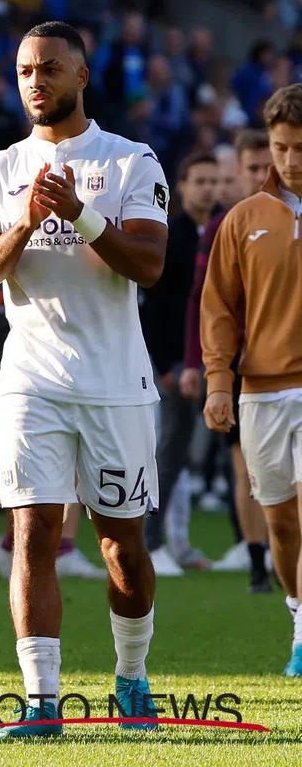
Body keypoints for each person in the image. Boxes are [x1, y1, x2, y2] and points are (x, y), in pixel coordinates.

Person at [0, 20, 170, 736]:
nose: (35, 81)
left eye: (49, 68)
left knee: (122, 547)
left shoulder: (131, 160)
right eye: (23, 70)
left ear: (82, 76)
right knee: (34, 535)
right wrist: (25, 223)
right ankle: (42, 702)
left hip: (116, 383)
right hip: (31, 382)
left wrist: (78, 214)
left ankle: (132, 675)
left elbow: (149, 265)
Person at [201, 84, 302, 675]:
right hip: (261, 393)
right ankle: (297, 613)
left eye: (299, 148)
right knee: (283, 524)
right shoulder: (241, 220)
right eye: (282, 148)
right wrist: (218, 382)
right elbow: (218, 308)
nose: (291, 161)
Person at [187, 127, 275, 589]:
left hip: (288, 365)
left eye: (270, 164)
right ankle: (258, 558)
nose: (263, 175)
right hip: (242, 368)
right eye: (254, 167)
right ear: (237, 172)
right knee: (247, 469)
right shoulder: (227, 226)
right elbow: (204, 302)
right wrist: (201, 366)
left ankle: (282, 557)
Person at [142, 149, 219, 574]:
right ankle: (151, 545)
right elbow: (155, 308)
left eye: (214, 181)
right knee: (169, 452)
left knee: (189, 452)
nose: (209, 188)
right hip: (176, 361)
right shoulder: (172, 236)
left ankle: (180, 543)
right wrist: (167, 364)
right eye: (201, 181)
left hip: (217, 359)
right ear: (182, 187)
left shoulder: (225, 228)